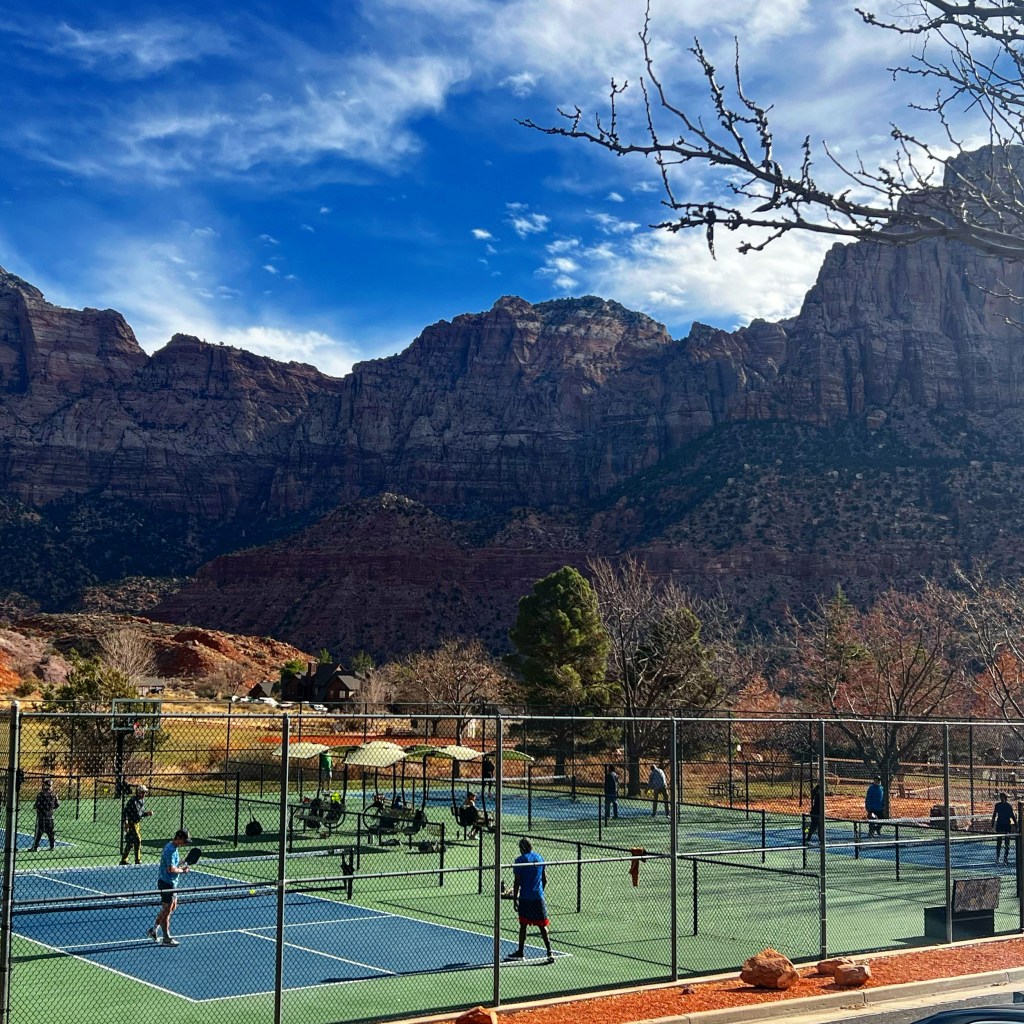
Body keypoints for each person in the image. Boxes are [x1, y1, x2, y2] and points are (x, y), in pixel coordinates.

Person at [507, 837, 553, 962]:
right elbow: (545, 879)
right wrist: (539, 891)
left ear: (521, 848)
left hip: (525, 898)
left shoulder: (519, 860)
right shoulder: (539, 858)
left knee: (523, 924)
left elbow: (517, 882)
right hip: (538, 897)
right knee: (542, 925)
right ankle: (549, 951)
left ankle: (521, 952)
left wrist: (515, 898)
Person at [149, 828, 192, 946]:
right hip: (167, 883)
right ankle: (166, 938)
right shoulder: (170, 850)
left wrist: (182, 863)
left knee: (171, 907)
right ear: (179, 838)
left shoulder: (173, 847)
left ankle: (153, 930)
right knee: (167, 910)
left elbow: (174, 865)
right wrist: (183, 871)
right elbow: (171, 869)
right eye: (185, 841)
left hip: (172, 883)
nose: (186, 843)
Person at [120, 784, 153, 865]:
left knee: (131, 842)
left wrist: (147, 813)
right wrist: (126, 822)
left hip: (137, 823)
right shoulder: (132, 801)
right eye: (142, 792)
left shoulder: (142, 800)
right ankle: (137, 860)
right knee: (138, 840)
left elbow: (140, 813)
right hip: (131, 823)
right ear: (138, 792)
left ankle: (123, 860)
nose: (144, 794)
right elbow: (125, 812)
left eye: (145, 793)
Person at [29, 778, 59, 851]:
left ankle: (35, 847)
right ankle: (52, 845)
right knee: (50, 832)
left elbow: (37, 805)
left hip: (41, 816)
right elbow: (57, 804)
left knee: (39, 832)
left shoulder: (40, 794)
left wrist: (38, 808)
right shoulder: (53, 794)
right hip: (50, 816)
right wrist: (50, 809)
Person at [992, 792, 1017, 865]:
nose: (1002, 798)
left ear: (1005, 798)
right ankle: (997, 857)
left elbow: (1012, 815)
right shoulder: (997, 805)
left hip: (1007, 826)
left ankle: (1005, 858)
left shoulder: (1008, 806)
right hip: (1000, 825)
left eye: (1003, 797)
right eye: (1001, 797)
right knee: (999, 842)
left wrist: (1016, 825)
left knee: (1007, 843)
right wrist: (992, 823)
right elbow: (994, 814)